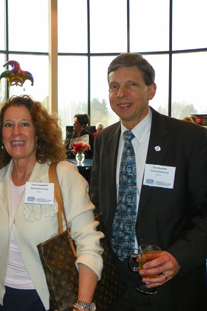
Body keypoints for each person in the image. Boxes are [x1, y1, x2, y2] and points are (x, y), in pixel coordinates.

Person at [90, 53, 207, 311]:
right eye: (114, 86)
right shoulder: (103, 140)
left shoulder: (190, 140)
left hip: (171, 286)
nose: (121, 93)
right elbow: (96, 204)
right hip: (114, 283)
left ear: (150, 90)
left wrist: (179, 257)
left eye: (131, 85)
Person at [0, 95, 103, 311]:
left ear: (38, 133)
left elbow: (89, 242)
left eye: (24, 124)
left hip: (50, 298)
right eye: (8, 125)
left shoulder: (63, 174)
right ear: (0, 135)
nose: (16, 131)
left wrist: (83, 304)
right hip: (0, 297)